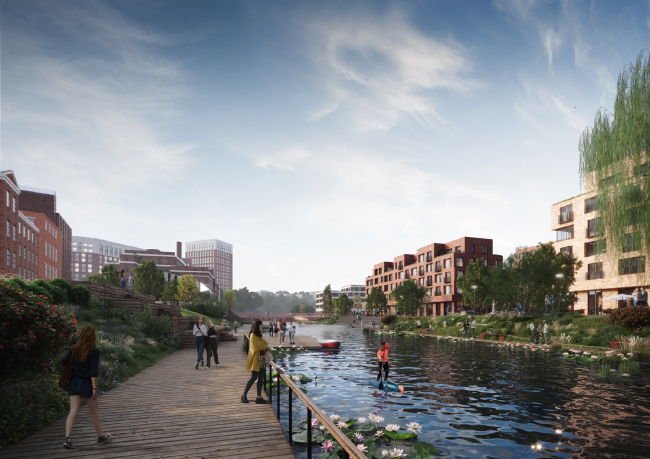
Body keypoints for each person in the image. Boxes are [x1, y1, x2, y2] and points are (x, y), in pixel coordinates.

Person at [60, 325, 111, 449]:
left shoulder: (74, 349)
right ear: (93, 336)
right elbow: (93, 372)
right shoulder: (94, 352)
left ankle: (67, 438)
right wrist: (94, 389)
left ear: (81, 335)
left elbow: (63, 362)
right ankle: (100, 437)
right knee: (94, 413)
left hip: (74, 384)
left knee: (73, 411)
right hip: (87, 385)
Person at [242, 319, 269, 404]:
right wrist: (265, 347)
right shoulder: (253, 335)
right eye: (261, 325)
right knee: (253, 377)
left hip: (261, 359)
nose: (262, 326)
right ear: (257, 326)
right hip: (256, 359)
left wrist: (264, 347)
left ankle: (259, 397)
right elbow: (260, 346)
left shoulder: (259, 335)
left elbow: (263, 345)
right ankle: (244, 395)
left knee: (261, 378)